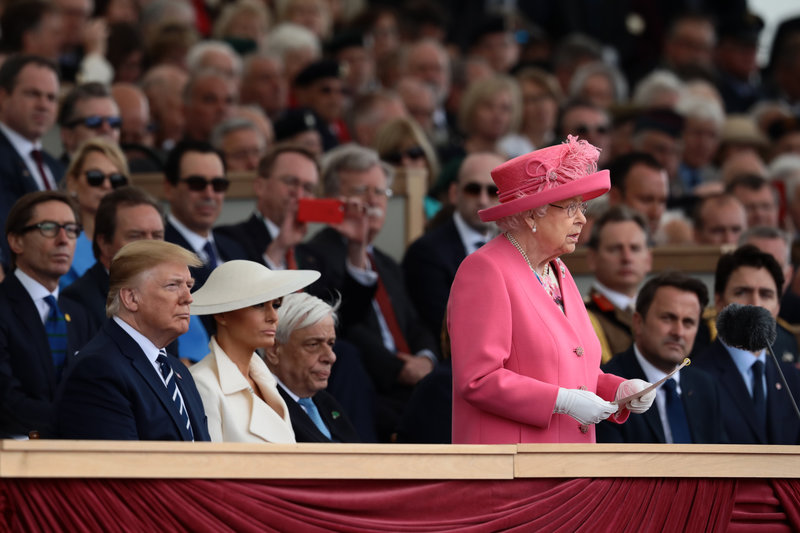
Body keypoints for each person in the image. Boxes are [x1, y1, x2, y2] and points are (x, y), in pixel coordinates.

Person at [448, 136, 656, 444]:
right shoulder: (485, 270)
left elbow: (571, 370)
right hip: (512, 472)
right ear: (532, 214)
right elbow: (479, 379)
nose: (583, 219)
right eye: (571, 207)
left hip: (568, 467)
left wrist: (618, 390)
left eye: (582, 207)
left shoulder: (558, 269)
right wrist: (561, 401)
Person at [298, 144, 439, 441]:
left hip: (410, 381)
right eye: (362, 190)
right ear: (336, 199)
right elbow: (343, 324)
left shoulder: (388, 262)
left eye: (380, 192)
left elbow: (413, 323)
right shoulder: (312, 255)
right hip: (367, 385)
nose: (373, 201)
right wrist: (396, 369)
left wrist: (425, 359)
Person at [55, 240, 210, 440]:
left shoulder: (178, 370)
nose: (188, 298)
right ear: (131, 298)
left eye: (189, 286)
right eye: (173, 285)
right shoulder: (98, 370)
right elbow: (119, 467)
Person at [188, 260, 319, 442]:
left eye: (275, 305)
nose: (273, 317)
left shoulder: (264, 379)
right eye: (258, 305)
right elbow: (212, 465)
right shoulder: (203, 384)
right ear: (222, 314)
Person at [0, 191, 92, 437]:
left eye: (71, 229)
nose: (63, 239)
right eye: (49, 228)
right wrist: (77, 420)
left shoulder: (78, 313)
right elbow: (5, 398)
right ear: (16, 241)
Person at [596, 272, 726, 444]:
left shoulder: (705, 386)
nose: (678, 332)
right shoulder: (609, 386)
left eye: (688, 322)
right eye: (667, 318)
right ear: (638, 323)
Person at [694, 245, 800, 444]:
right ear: (719, 301)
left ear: (777, 307)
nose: (755, 304)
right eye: (742, 292)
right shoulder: (695, 379)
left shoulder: (794, 380)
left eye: (766, 294)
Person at [403, 152, 503, 341]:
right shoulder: (426, 253)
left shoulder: (516, 246)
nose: (482, 200)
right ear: (453, 193)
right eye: (473, 189)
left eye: (492, 191)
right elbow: (445, 327)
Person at [163, 140, 248, 362]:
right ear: (169, 188)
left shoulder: (234, 247)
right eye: (197, 184)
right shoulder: (160, 250)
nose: (209, 194)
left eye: (218, 184)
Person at [61, 186, 165, 332]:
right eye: (135, 236)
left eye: (157, 236)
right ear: (104, 243)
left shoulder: (163, 293)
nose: (150, 246)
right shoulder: (77, 300)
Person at [265, 292, 361, 442]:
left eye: (330, 344)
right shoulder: (263, 407)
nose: (331, 357)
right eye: (313, 345)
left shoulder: (327, 402)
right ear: (273, 351)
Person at [0, 55, 64, 266]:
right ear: (3, 96)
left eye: (51, 97)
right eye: (33, 94)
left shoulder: (55, 166)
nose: (43, 105)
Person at [585, 206, 652, 364]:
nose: (627, 258)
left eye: (635, 248)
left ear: (648, 259)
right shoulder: (584, 316)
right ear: (592, 258)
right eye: (615, 249)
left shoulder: (656, 313)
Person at [60, 138, 130, 289]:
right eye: (95, 178)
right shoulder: (59, 240)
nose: (106, 185)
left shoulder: (140, 240)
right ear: (72, 182)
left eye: (116, 180)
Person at [57, 82, 121, 164]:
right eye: (94, 121)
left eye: (113, 121)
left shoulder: (125, 174)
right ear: (68, 135)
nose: (106, 128)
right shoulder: (53, 175)